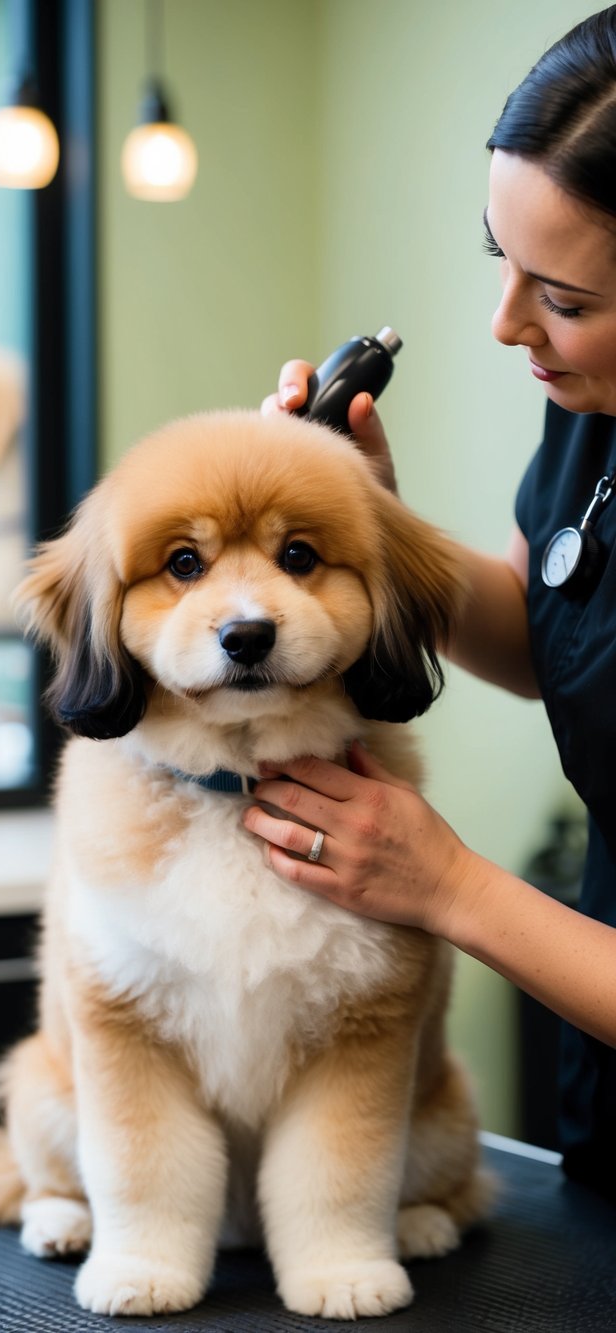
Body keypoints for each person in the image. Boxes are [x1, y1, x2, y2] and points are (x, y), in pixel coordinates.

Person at [246, 5, 616, 1203]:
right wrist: (375, 523)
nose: (505, 324)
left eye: (560, 298)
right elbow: (543, 631)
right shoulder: (588, 413)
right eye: (498, 260)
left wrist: (445, 883)